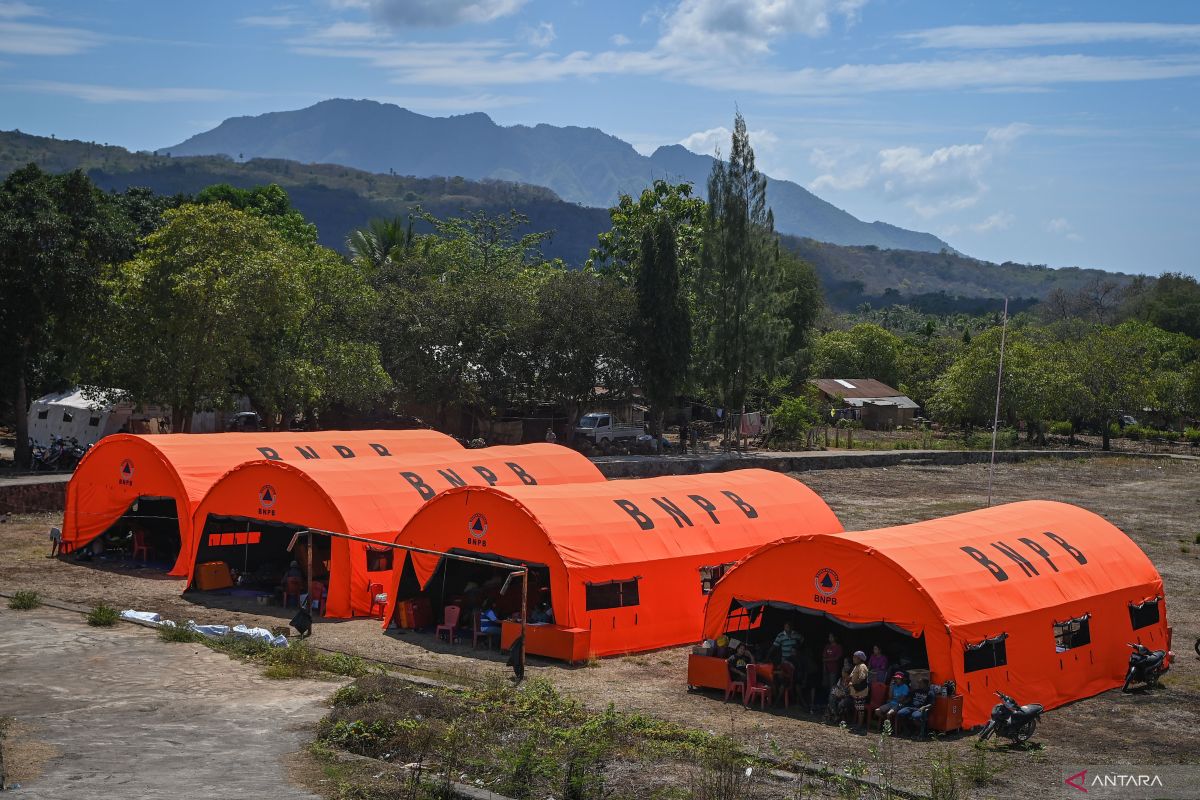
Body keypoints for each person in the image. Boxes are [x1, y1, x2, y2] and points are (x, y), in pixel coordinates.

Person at [849, 651, 871, 728]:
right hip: (856, 691)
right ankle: (857, 723)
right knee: (858, 707)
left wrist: (854, 684)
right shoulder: (856, 666)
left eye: (855, 657)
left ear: (859, 658)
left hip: (861, 691)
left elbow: (862, 677)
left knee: (860, 708)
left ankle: (860, 725)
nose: (853, 658)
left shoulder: (862, 666)